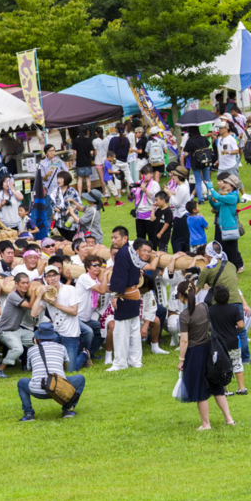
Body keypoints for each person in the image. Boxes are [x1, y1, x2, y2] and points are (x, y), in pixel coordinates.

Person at [176, 280, 235, 430]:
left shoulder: (184, 315)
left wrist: (181, 360)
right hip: (209, 349)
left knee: (200, 389)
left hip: (195, 353)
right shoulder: (203, 307)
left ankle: (206, 424)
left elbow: (184, 340)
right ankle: (229, 419)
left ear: (181, 295)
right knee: (216, 386)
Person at [196, 241, 251, 364]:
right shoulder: (231, 265)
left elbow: (196, 290)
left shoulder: (207, 270)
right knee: (241, 331)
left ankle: (221, 357)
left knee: (217, 330)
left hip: (220, 303)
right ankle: (245, 359)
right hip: (237, 301)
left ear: (208, 255)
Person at [17, 323, 86, 421]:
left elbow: (30, 369)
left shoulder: (31, 350)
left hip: (37, 390)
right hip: (60, 389)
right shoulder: (61, 348)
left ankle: (28, 414)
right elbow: (65, 367)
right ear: (53, 337)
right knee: (80, 378)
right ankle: (68, 409)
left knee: (21, 382)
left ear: (37, 338)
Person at [31, 265, 89, 371]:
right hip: (55, 334)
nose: (52, 278)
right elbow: (34, 313)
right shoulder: (46, 294)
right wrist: (39, 295)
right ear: (45, 279)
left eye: (54, 275)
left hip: (70, 334)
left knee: (70, 370)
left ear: (59, 276)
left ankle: (84, 354)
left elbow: (74, 311)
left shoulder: (69, 289)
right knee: (54, 367)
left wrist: (55, 304)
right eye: (49, 276)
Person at [107, 227, 145, 372]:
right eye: (112, 238)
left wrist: (116, 294)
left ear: (125, 238)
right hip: (135, 293)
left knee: (121, 332)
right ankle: (135, 361)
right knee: (134, 330)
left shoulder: (122, 253)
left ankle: (120, 363)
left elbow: (120, 275)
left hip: (126, 296)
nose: (113, 240)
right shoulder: (131, 250)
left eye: (116, 237)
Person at [0, 273, 36, 376]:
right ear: (16, 284)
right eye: (23, 283)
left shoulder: (23, 294)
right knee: (18, 349)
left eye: (27, 283)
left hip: (16, 330)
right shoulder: (13, 295)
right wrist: (35, 292)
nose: (26, 285)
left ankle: (33, 366)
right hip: (5, 331)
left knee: (38, 339)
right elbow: (31, 306)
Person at [207, 173, 243, 271]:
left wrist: (210, 187)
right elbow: (216, 206)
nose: (225, 184)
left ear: (232, 186)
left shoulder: (233, 197)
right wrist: (210, 198)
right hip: (223, 228)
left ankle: (234, 271)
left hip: (230, 229)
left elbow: (217, 197)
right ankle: (227, 270)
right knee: (224, 250)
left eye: (227, 183)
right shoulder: (228, 196)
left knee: (232, 253)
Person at [181, 126, 212, 204]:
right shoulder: (204, 138)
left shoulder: (190, 141)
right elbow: (208, 146)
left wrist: (182, 154)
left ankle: (200, 200)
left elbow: (186, 153)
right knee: (207, 179)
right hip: (205, 161)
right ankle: (211, 196)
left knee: (198, 181)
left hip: (196, 163)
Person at [51, 171, 82, 241]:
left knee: (71, 241)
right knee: (61, 241)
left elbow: (79, 205)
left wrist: (70, 210)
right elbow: (51, 203)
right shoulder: (55, 191)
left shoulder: (72, 191)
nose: (58, 180)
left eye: (61, 178)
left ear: (66, 179)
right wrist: (55, 208)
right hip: (59, 221)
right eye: (58, 178)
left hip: (70, 221)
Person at [215, 120, 244, 196]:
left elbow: (237, 151)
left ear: (226, 128)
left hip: (230, 165)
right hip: (222, 166)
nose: (219, 129)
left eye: (221, 128)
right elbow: (219, 152)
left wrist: (229, 152)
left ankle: (244, 195)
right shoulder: (220, 139)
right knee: (221, 182)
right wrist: (218, 160)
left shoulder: (231, 139)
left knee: (236, 181)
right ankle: (220, 198)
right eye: (219, 128)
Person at [167, 166, 192, 252]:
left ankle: (179, 259)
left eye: (174, 175)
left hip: (181, 216)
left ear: (179, 176)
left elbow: (177, 204)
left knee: (176, 240)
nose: (173, 177)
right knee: (184, 240)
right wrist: (171, 192)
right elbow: (179, 195)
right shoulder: (183, 185)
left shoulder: (182, 188)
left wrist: (170, 195)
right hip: (184, 216)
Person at [108, 123, 132, 195]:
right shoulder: (126, 139)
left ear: (116, 129)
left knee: (117, 178)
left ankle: (119, 194)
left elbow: (110, 151)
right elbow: (128, 150)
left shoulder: (113, 140)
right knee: (128, 176)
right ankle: (133, 190)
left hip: (116, 161)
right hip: (124, 160)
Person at [72, 125, 95, 196]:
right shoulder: (88, 140)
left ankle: (79, 195)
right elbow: (91, 152)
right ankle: (89, 193)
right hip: (87, 161)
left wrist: (73, 160)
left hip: (80, 162)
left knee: (80, 178)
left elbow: (75, 152)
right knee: (87, 178)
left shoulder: (76, 140)